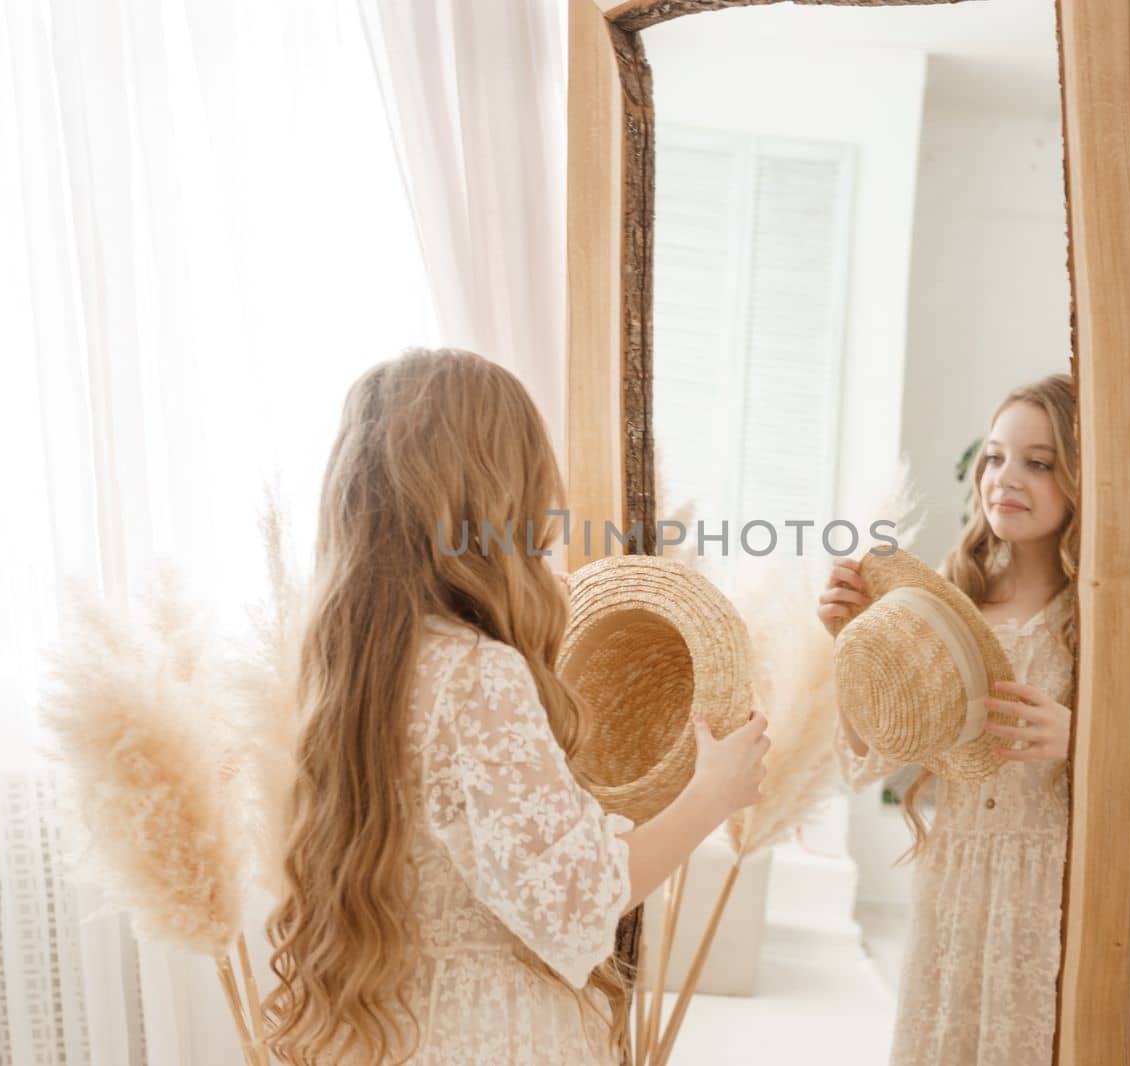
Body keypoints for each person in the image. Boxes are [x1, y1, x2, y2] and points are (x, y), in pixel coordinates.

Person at [264, 348, 769, 1065]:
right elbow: (577, 903)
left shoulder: (353, 669)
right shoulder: (476, 674)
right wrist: (712, 794)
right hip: (488, 1036)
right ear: (495, 490)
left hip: (388, 1028)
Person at [818, 373, 1080, 1066]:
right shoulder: (952, 602)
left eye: (1039, 462)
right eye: (994, 456)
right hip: (955, 871)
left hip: (1050, 881)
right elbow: (872, 752)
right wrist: (850, 645)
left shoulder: (1096, 619)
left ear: (1080, 478)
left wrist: (1082, 740)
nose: (1006, 477)